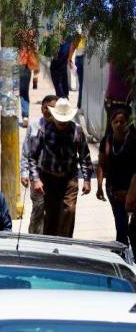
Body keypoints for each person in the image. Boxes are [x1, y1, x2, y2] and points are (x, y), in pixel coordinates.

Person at [26, 98, 93, 237]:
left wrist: (87, 180)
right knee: (51, 215)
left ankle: (66, 243)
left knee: (69, 211)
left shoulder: (77, 131)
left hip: (69, 179)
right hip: (49, 179)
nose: (62, 123)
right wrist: (36, 179)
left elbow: (84, 157)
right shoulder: (44, 131)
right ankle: (50, 246)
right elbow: (32, 157)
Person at [21, 95, 59, 233]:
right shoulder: (34, 125)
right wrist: (24, 173)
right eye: (45, 108)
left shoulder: (62, 126)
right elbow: (26, 151)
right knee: (38, 207)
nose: (48, 111)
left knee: (54, 210)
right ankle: (34, 238)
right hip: (37, 175)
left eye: (52, 108)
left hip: (56, 176)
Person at [98, 107, 135, 244]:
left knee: (131, 227)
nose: (119, 125)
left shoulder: (133, 140)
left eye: (122, 122)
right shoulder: (107, 141)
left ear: (128, 123)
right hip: (114, 189)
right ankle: (122, 252)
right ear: (111, 123)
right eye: (116, 122)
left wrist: (130, 192)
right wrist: (100, 185)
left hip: (132, 188)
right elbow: (101, 164)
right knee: (120, 224)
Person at [0, 29, 40, 127]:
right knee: (24, 93)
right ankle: (25, 116)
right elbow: (35, 56)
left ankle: (13, 115)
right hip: (26, 70)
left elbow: (2, 57)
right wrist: (36, 73)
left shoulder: (11, 43)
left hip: (15, 69)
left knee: (14, 93)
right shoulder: (29, 43)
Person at [50, 33, 76, 102]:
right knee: (62, 86)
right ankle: (64, 100)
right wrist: (69, 58)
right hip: (61, 66)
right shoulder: (69, 37)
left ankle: (63, 101)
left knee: (59, 88)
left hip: (57, 67)